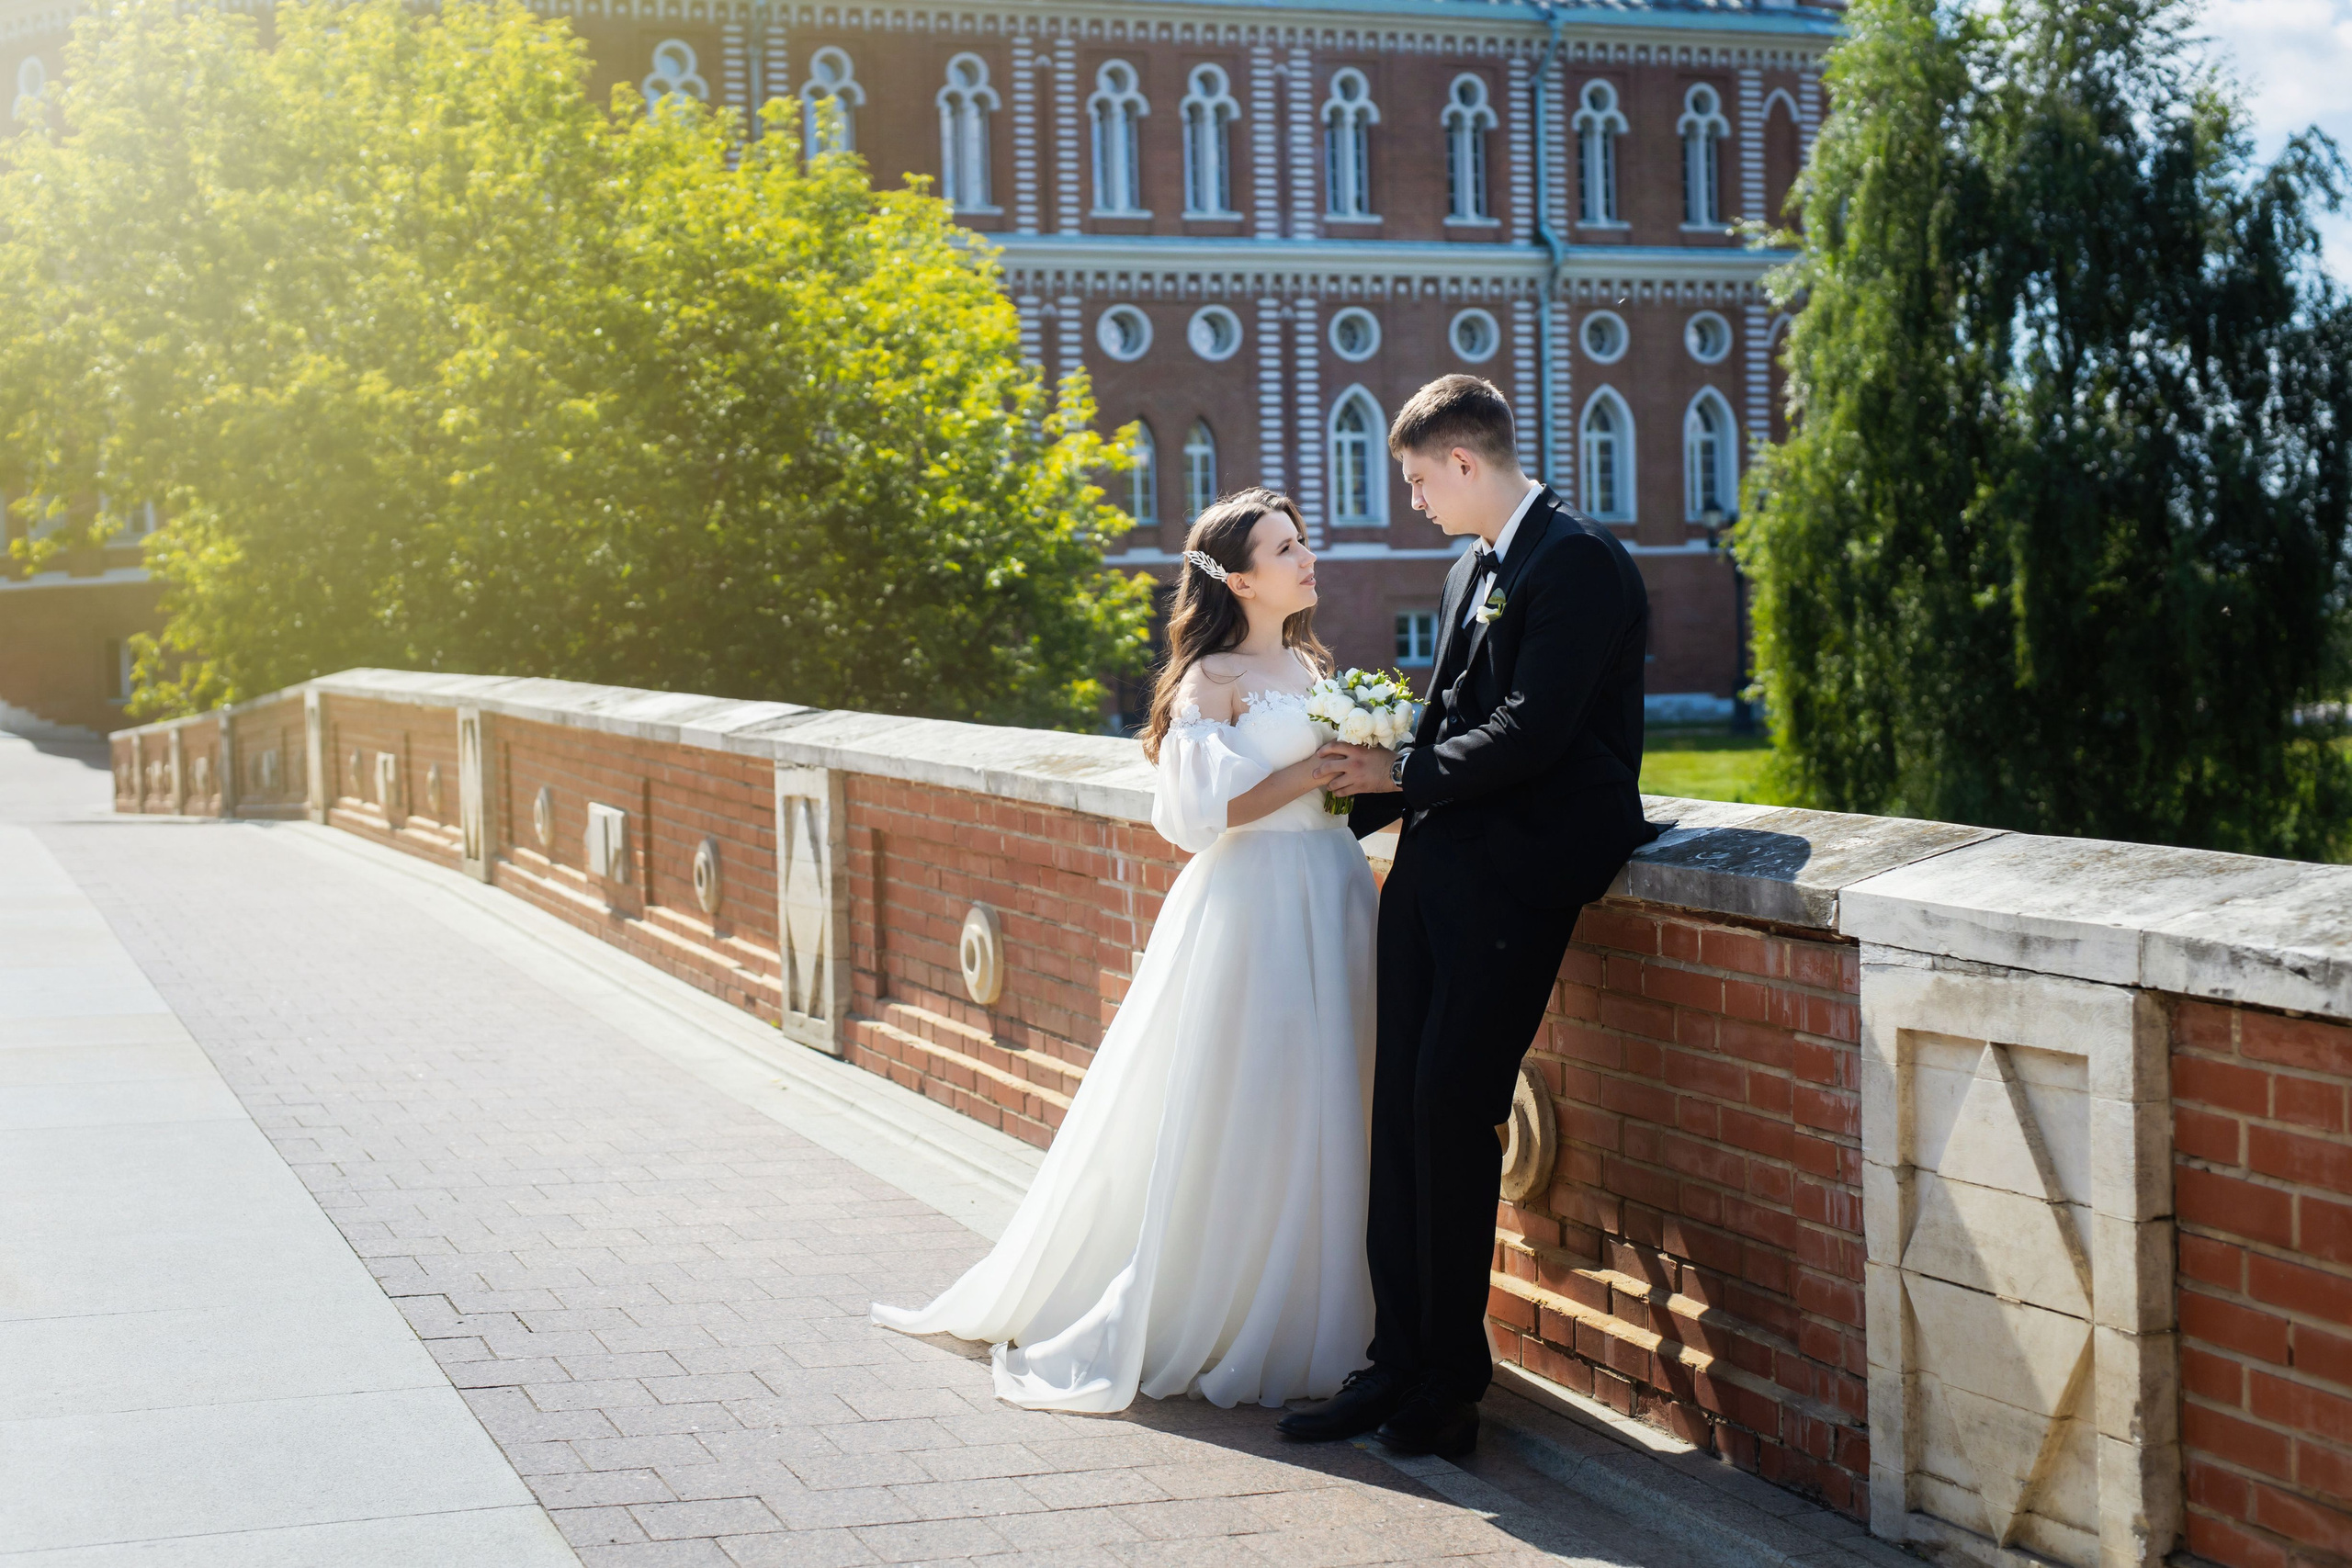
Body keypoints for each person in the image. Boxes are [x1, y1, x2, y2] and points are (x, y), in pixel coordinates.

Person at [870, 489, 1380, 1413]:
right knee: (1254, 1090)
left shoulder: (1312, 666)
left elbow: (1339, 790)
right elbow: (1197, 816)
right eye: (1285, 547)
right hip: (1254, 904)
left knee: (1333, 1091)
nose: (1308, 558)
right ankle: (1220, 1302)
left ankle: (1325, 1305)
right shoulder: (1211, 680)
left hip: (1333, 889)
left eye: (1303, 542)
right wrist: (1310, 771)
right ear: (1238, 578)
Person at [1287, 375, 1658, 1458]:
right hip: (1434, 869)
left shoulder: (1579, 563)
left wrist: (1396, 767)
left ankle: (1450, 1382)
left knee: (1453, 1115)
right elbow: (1455, 715)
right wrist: (1373, 790)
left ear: (1463, 461)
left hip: (1524, 875)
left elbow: (1533, 732)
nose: (1411, 498)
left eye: (1415, 478)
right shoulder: (1466, 568)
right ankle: (1392, 1358)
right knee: (1396, 1117)